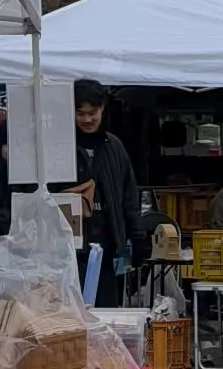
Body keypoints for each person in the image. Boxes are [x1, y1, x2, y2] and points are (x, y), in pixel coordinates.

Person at [67, 79, 140, 307]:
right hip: (69, 249)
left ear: (103, 109)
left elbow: (129, 195)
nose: (87, 119)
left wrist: (136, 235)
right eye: (80, 113)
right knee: (74, 311)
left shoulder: (114, 146)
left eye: (93, 112)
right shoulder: (61, 146)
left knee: (107, 311)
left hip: (106, 246)